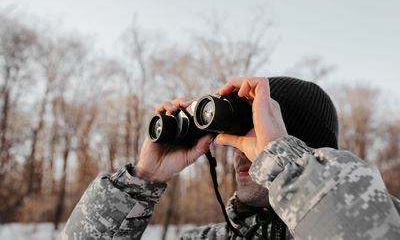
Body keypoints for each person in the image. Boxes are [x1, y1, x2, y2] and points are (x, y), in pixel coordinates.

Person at [61, 77, 400, 240]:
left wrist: (285, 163)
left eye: (257, 132)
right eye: (240, 134)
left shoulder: (382, 218)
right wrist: (142, 180)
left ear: (306, 146)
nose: (241, 151)